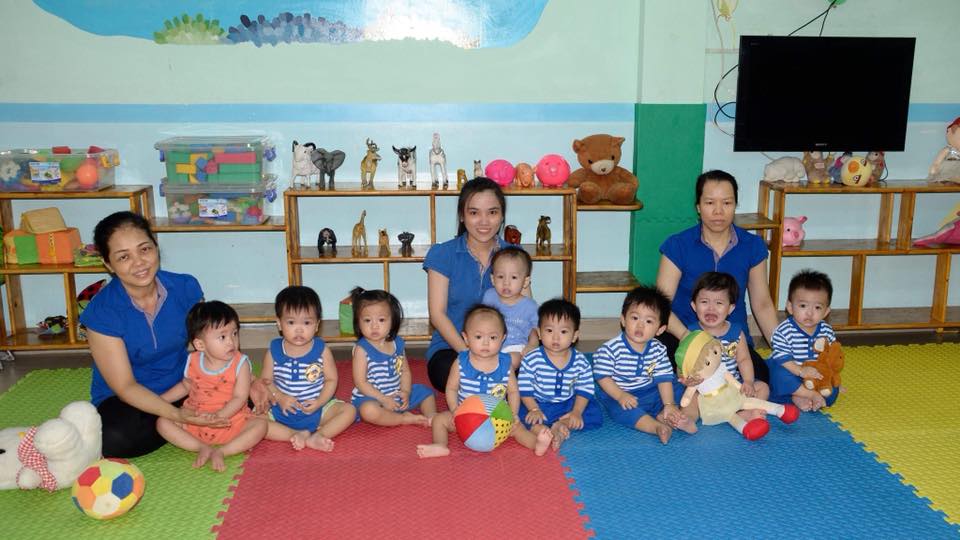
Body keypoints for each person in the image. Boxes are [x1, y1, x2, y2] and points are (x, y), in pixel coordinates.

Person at [81, 211, 227, 458]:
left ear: (156, 247)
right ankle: (183, 425)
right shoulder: (101, 313)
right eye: (124, 257)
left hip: (183, 386)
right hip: (130, 400)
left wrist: (244, 380)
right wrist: (175, 414)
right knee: (113, 439)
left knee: (245, 398)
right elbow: (126, 387)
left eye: (145, 249)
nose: (139, 262)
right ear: (108, 264)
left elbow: (210, 345)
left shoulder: (185, 287)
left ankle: (181, 426)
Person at [657, 170, 778, 382]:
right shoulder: (677, 246)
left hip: (732, 342)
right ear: (698, 206)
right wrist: (691, 339)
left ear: (735, 205)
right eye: (710, 203)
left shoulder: (752, 246)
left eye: (727, 203)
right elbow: (661, 304)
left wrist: (784, 353)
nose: (718, 211)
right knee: (667, 377)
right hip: (683, 336)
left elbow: (762, 304)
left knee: (762, 379)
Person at [416, 305, 553, 458]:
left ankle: (536, 444)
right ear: (466, 338)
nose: (486, 343)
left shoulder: (505, 364)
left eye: (493, 337)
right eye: (478, 337)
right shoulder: (461, 362)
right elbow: (451, 389)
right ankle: (440, 445)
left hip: (498, 420)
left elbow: (513, 391)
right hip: (465, 418)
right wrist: (455, 410)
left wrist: (513, 414)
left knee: (518, 429)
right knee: (439, 420)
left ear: (503, 338)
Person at [423, 177, 512, 391]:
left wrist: (527, 347)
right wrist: (469, 356)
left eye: (492, 212)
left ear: (502, 216)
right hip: (452, 348)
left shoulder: (513, 256)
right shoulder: (443, 253)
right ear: (462, 216)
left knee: (530, 370)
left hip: (501, 346)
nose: (484, 221)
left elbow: (526, 307)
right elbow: (437, 314)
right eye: (474, 213)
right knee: (449, 374)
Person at [156, 301, 267, 472]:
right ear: (200, 345)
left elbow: (240, 397)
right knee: (162, 422)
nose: (231, 342)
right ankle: (200, 446)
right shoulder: (192, 360)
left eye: (234, 333)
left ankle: (223, 451)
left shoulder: (241, 363)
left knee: (260, 426)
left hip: (230, 421)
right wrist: (160, 400)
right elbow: (185, 386)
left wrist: (218, 416)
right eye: (222, 337)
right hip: (195, 420)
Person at [594, 285, 699, 444]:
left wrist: (669, 403)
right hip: (623, 394)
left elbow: (663, 379)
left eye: (649, 321)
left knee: (689, 392)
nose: (640, 325)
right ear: (623, 320)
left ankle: (682, 418)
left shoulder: (658, 349)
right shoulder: (610, 349)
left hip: (653, 390)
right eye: (635, 318)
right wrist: (620, 395)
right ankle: (656, 427)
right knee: (620, 410)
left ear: (660, 329)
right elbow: (602, 377)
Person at [262, 286, 356, 451]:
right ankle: (294, 434)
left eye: (306, 322)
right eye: (291, 322)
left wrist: (320, 402)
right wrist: (279, 396)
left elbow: (331, 380)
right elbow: (265, 382)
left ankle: (319, 435)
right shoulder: (274, 351)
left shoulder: (322, 350)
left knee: (349, 411)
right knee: (255, 421)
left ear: (317, 324)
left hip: (316, 410)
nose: (299, 329)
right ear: (279, 323)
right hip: (281, 410)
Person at [518, 299, 602, 450]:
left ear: (575, 335)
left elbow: (585, 389)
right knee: (520, 414)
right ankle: (545, 432)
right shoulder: (531, 359)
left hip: (568, 403)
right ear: (539, 333)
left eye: (563, 332)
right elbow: (525, 389)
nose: (556, 337)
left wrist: (576, 411)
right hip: (538, 403)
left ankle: (562, 424)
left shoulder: (580, 361)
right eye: (549, 331)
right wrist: (534, 409)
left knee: (593, 412)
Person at [349, 287, 437, 426]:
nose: (374, 326)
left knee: (425, 392)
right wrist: (383, 399)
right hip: (373, 398)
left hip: (396, 394)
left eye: (381, 320)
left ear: (393, 321)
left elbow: (405, 371)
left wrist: (405, 391)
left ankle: (432, 417)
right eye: (367, 320)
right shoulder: (362, 349)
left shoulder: (397, 344)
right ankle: (403, 419)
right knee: (368, 411)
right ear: (358, 323)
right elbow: (361, 383)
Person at [687, 272, 770, 410]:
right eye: (704, 302)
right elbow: (684, 362)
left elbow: (743, 360)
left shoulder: (736, 332)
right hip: (704, 390)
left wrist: (748, 381)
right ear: (694, 306)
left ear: (730, 308)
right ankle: (691, 417)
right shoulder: (691, 333)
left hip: (732, 387)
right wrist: (688, 379)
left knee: (763, 388)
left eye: (719, 303)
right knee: (689, 399)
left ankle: (746, 411)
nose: (711, 308)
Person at [767, 269, 840, 411]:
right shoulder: (784, 331)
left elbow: (831, 359)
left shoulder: (827, 331)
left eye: (817, 307)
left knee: (832, 391)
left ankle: (800, 396)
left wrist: (832, 377)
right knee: (777, 373)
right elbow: (782, 358)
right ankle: (804, 395)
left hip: (814, 377)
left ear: (826, 312)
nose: (809, 312)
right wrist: (800, 371)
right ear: (790, 307)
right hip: (792, 371)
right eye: (803, 306)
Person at [482, 246, 539, 371]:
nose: (506, 283)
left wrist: (532, 344)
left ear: (525, 281)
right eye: (500, 277)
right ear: (492, 279)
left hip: (516, 346)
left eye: (513, 277)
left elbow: (534, 330)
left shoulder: (530, 306)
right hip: (490, 343)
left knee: (513, 359)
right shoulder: (489, 297)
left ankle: (498, 374)